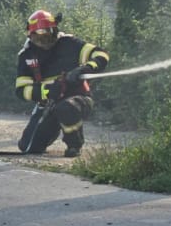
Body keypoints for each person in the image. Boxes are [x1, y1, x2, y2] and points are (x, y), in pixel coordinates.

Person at [14, 9, 111, 157]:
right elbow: (21, 90)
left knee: (66, 107)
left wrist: (85, 68)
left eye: (47, 37)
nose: (43, 43)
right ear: (30, 35)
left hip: (79, 99)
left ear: (55, 32)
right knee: (28, 147)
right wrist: (46, 91)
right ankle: (52, 129)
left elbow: (101, 54)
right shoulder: (27, 55)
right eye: (38, 39)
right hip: (48, 104)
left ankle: (74, 145)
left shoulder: (69, 44)